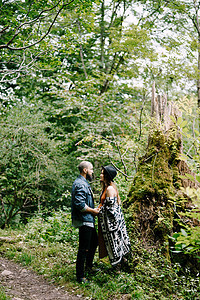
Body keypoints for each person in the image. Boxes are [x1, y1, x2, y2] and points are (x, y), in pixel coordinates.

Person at [71, 161, 100, 283]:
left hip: (88, 220)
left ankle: (88, 266)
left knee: (94, 242)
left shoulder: (84, 183)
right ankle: (80, 276)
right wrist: (93, 211)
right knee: (83, 248)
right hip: (85, 221)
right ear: (85, 170)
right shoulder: (80, 184)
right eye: (91, 169)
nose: (92, 171)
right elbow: (80, 204)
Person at [98, 165, 130, 269]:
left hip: (111, 224)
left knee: (114, 243)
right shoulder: (107, 188)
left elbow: (111, 208)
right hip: (107, 224)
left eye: (103, 173)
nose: (100, 175)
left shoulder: (110, 189)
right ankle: (119, 264)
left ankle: (118, 266)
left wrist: (97, 211)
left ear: (107, 176)